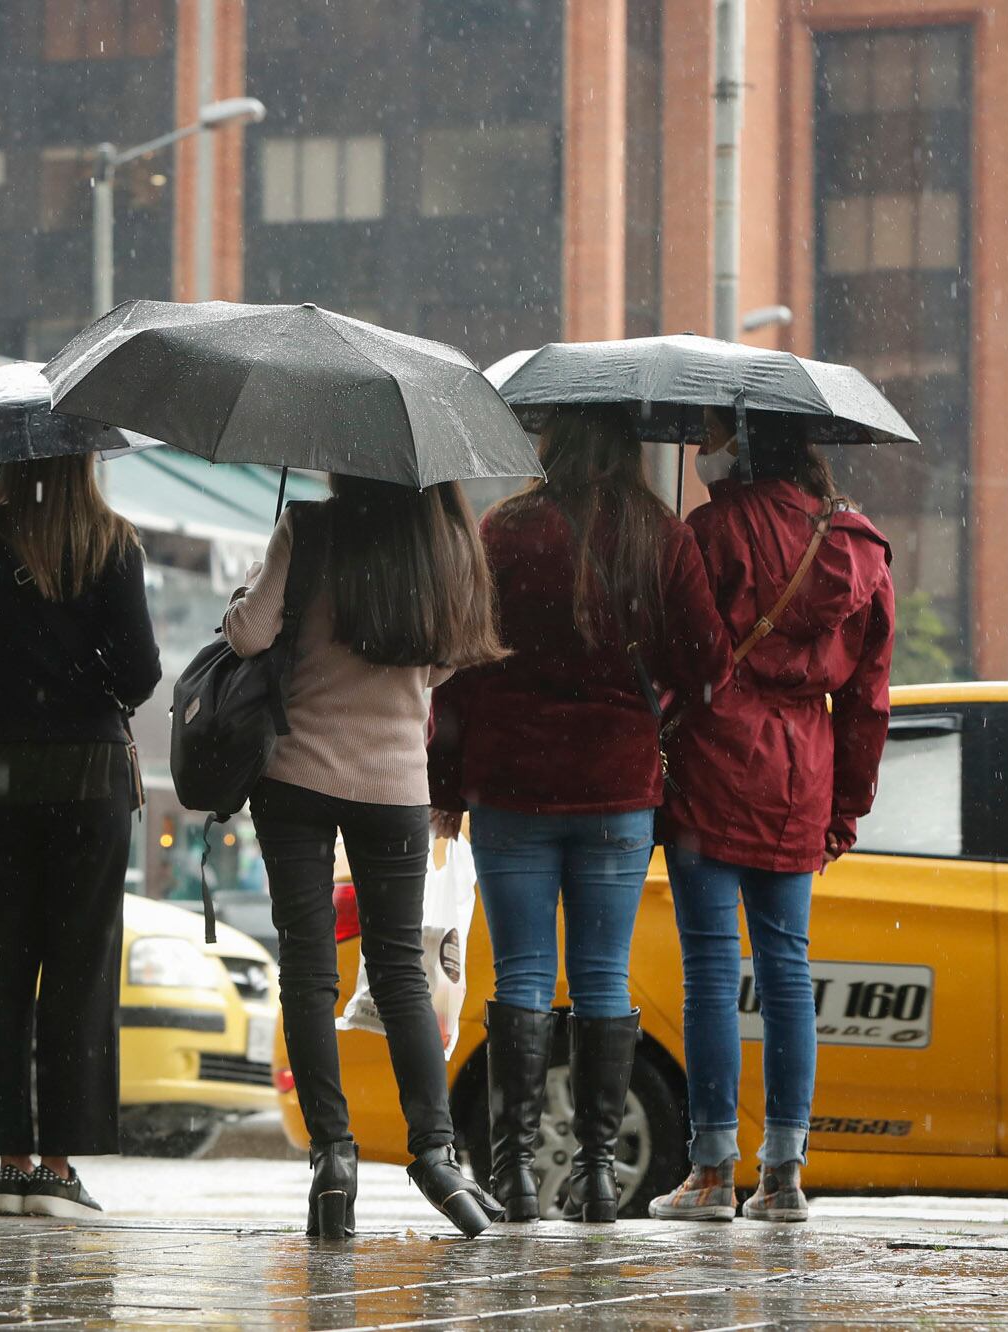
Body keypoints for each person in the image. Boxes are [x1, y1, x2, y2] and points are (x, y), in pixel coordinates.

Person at [428, 405, 730, 1223]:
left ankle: (515, 1176)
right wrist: (652, 690)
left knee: (521, 972)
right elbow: (710, 666)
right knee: (602, 973)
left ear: (553, 439)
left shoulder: (505, 529)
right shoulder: (658, 535)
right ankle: (596, 1178)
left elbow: (460, 670)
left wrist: (447, 786)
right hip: (616, 789)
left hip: (511, 785)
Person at [225, 474, 507, 1238]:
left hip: (295, 777)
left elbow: (250, 635)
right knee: (399, 974)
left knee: (310, 969)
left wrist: (244, 594)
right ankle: (436, 1153)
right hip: (394, 788)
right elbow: (446, 663)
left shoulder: (308, 529)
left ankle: (333, 1155)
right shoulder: (443, 542)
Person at [649, 409, 894, 1225]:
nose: (699, 451)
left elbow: (682, 656)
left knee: (713, 972)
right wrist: (845, 808)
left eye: (711, 436)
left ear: (743, 450)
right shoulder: (860, 551)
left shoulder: (712, 531)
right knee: (788, 974)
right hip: (805, 776)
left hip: (717, 765)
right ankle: (783, 1172)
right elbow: (866, 702)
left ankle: (712, 1172)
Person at [0, 453, 160, 1220]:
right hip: (88, 783)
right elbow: (140, 674)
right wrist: (80, 658)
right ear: (86, 458)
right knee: (78, 971)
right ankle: (58, 1169)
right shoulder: (111, 541)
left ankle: (10, 1167)